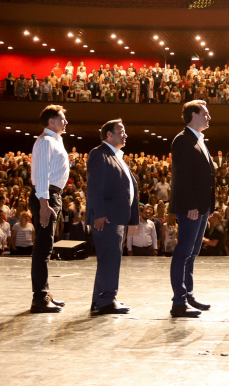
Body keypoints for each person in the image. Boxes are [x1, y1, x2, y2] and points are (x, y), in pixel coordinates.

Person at [168, 101, 216, 318]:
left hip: (201, 207)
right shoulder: (183, 140)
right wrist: (191, 205)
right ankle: (179, 301)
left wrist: (209, 205)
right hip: (191, 207)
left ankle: (188, 295)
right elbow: (183, 175)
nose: (209, 117)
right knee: (184, 252)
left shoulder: (198, 140)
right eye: (205, 113)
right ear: (193, 115)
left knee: (192, 253)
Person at [86, 119, 139, 315]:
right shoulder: (99, 154)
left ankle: (103, 299)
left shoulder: (115, 156)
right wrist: (99, 214)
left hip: (116, 217)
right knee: (109, 259)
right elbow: (94, 186)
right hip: (107, 218)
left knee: (111, 259)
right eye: (121, 132)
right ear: (109, 135)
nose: (125, 135)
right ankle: (105, 300)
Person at [28, 105, 70, 313]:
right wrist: (44, 203)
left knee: (46, 247)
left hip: (52, 194)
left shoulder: (54, 140)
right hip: (46, 195)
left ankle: (44, 293)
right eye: (62, 119)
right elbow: (42, 173)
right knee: (43, 248)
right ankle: (40, 297)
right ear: (51, 122)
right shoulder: (46, 141)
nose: (66, 122)